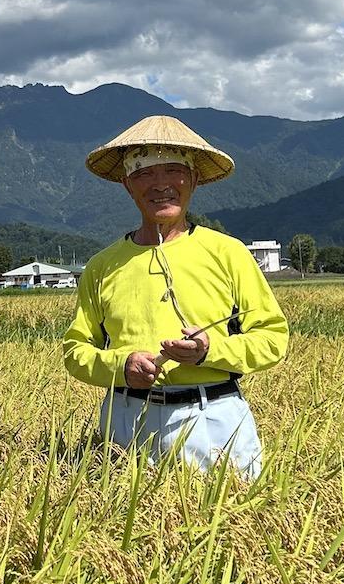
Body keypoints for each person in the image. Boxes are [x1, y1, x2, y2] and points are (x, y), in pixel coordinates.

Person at [63, 115, 287, 478]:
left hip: (212, 417)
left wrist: (210, 350)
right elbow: (76, 351)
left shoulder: (227, 253)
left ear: (194, 179)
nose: (161, 184)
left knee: (224, 524)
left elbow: (272, 338)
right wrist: (121, 366)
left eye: (173, 171)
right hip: (125, 417)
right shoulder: (101, 266)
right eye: (145, 173)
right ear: (127, 185)